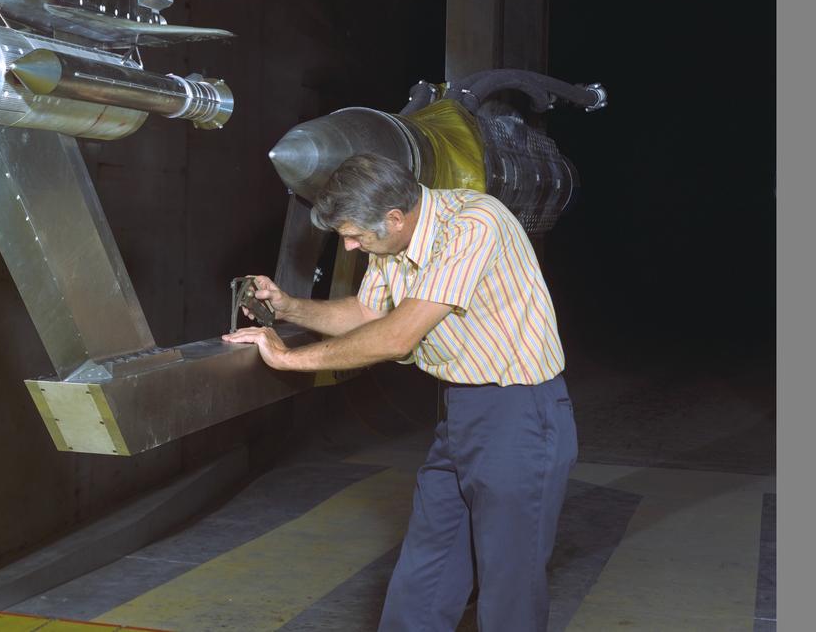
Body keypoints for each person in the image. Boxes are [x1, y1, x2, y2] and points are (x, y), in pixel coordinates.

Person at [223, 152, 578, 632]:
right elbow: (368, 314)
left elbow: (396, 335)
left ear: (394, 217)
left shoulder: (473, 224)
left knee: (508, 586)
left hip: (519, 413)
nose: (349, 246)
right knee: (426, 571)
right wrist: (287, 308)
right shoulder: (391, 239)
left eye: (354, 235)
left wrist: (288, 359)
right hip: (461, 411)